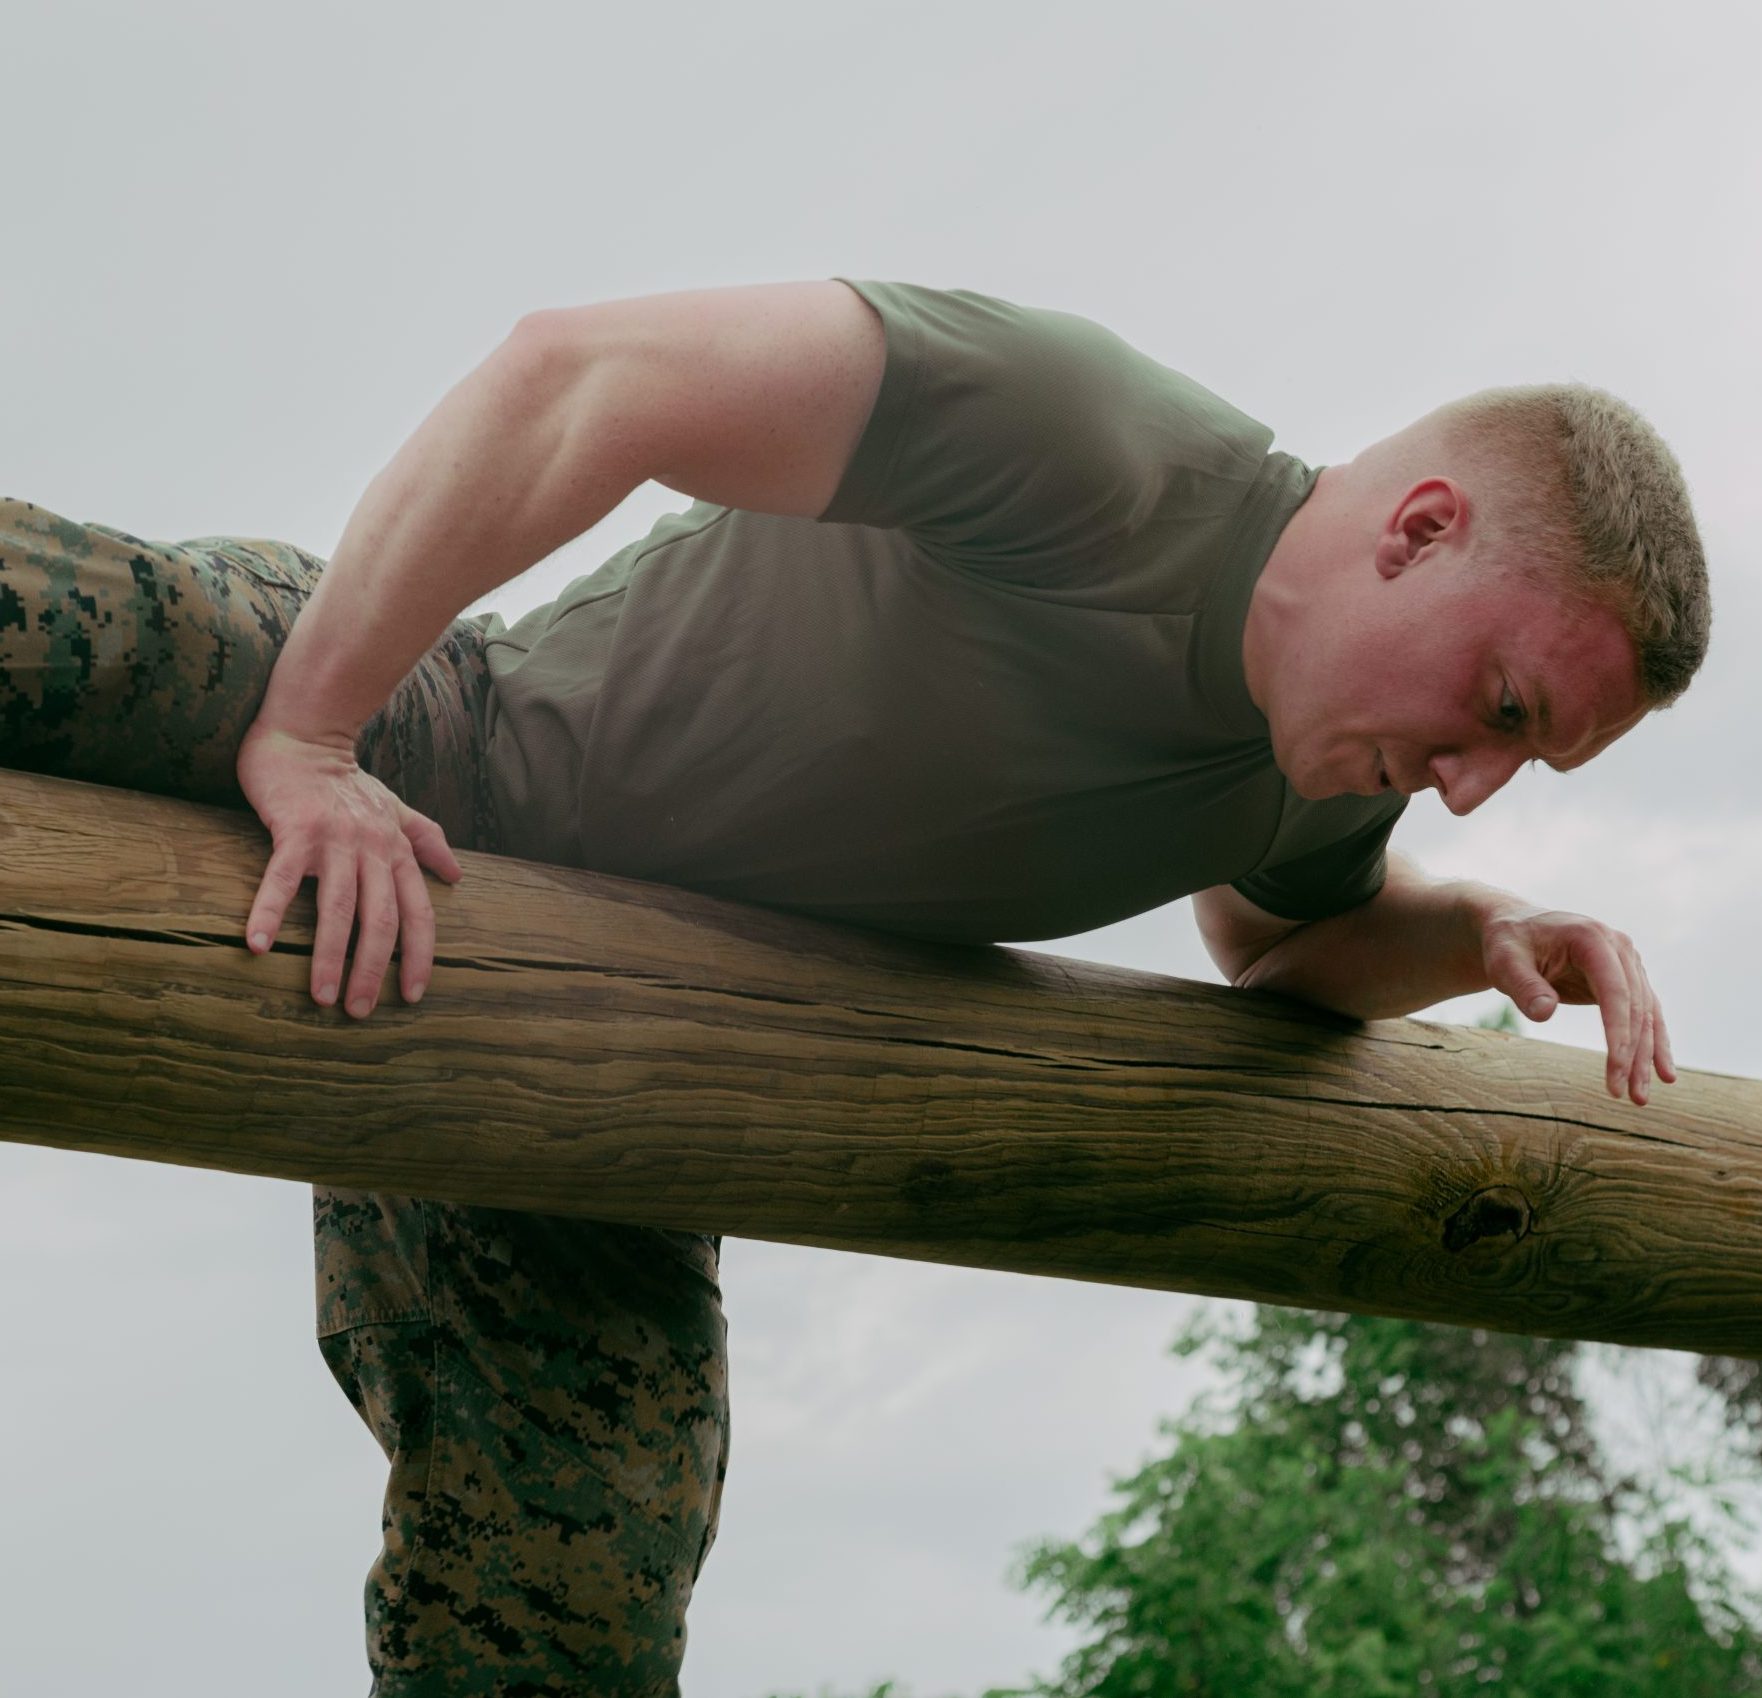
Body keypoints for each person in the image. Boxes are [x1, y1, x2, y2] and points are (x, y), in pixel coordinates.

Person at [0, 277, 1708, 1694]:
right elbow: (582, 371)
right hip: (461, 753)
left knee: (579, 1598)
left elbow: (1270, 948)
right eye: (1498, 706)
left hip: (625, 1075)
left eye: (1527, 766)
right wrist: (311, 728)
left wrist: (1471, 930)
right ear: (1415, 529)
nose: (1471, 781)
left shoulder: (1328, 782)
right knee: (112, 631)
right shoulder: (1097, 443)